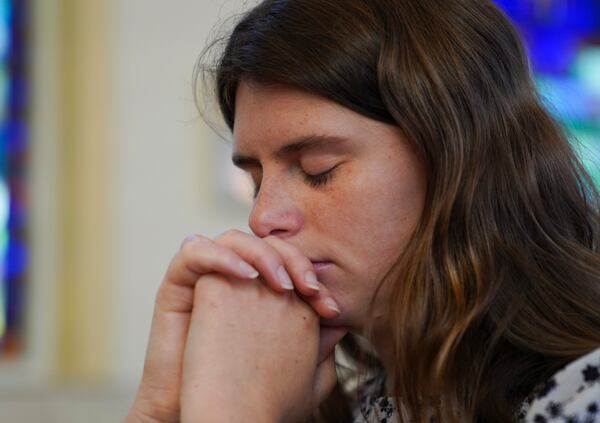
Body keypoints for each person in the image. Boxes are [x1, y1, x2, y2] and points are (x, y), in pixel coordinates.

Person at [124, 0, 600, 422]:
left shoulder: (582, 393)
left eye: (317, 169)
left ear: (459, 162)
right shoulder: (371, 401)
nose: (262, 219)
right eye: (256, 181)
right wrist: (158, 411)